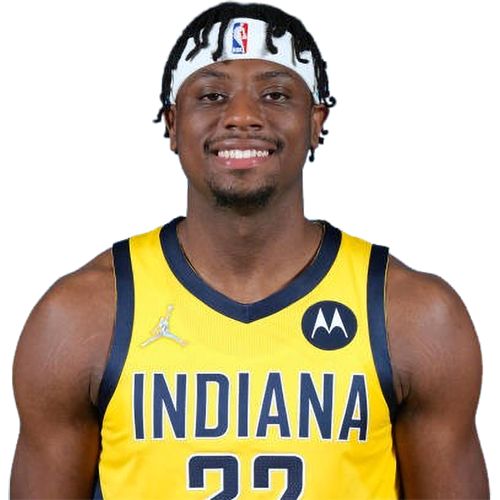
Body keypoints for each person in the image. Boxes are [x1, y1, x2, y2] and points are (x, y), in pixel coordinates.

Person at [10, 2, 489, 499]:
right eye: (212, 95)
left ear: (316, 122)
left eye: (275, 95)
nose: (241, 116)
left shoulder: (412, 315)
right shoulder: (82, 316)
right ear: (171, 123)